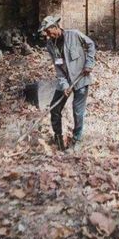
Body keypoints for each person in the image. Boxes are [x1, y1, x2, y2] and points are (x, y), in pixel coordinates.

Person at [38, 15, 96, 150]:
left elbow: (91, 45)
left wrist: (89, 63)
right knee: (55, 108)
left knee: (77, 111)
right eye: (46, 33)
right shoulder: (50, 45)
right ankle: (58, 140)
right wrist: (64, 85)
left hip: (81, 78)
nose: (47, 35)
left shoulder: (74, 35)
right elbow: (58, 67)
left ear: (55, 27)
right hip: (64, 80)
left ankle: (77, 140)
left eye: (48, 31)